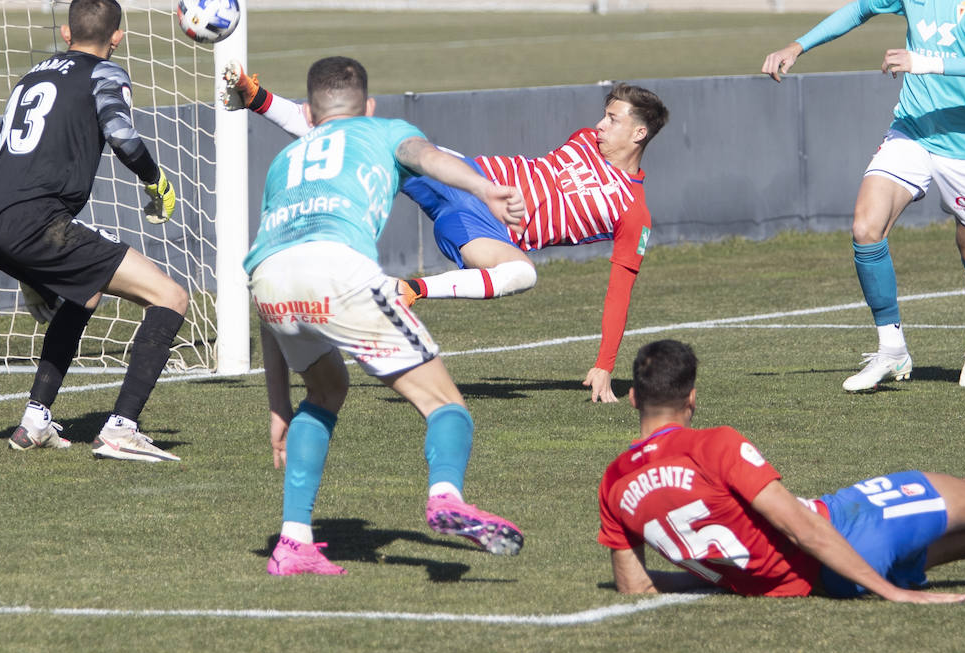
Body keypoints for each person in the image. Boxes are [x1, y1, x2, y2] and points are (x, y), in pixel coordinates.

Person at [598, 339, 965, 601]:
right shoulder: (716, 444)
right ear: (693, 398)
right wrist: (889, 592)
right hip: (848, 536)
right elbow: (803, 528)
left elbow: (635, 586)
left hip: (814, 583)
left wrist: (724, 578)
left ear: (633, 399)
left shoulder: (614, 481)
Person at [225, 64, 669, 403]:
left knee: (522, 274)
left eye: (612, 120)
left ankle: (408, 290)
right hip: (470, 178)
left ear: (639, 132)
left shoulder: (634, 212)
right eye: (604, 116)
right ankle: (256, 98)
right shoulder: (584, 140)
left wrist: (605, 365)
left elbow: (620, 290)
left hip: (485, 229)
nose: (599, 126)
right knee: (369, 141)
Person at [245, 56, 527, 576]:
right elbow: (427, 157)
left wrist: (278, 406)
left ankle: (293, 542)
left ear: (308, 111)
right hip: (338, 267)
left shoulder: (284, 162)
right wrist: (485, 189)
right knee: (445, 405)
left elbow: (269, 267)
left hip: (268, 282)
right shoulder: (384, 129)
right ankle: (445, 496)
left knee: (325, 391)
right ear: (368, 106)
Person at [759, 0, 965, 391]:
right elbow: (858, 10)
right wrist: (798, 45)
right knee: (865, 227)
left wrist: (925, 62)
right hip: (912, 129)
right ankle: (892, 349)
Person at [0, 0, 187, 462]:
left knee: (85, 294)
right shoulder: (106, 70)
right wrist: (156, 181)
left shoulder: (31, 75)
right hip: (35, 223)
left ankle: (34, 421)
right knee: (171, 297)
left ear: (67, 34)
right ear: (118, 37)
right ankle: (121, 430)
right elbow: (122, 135)